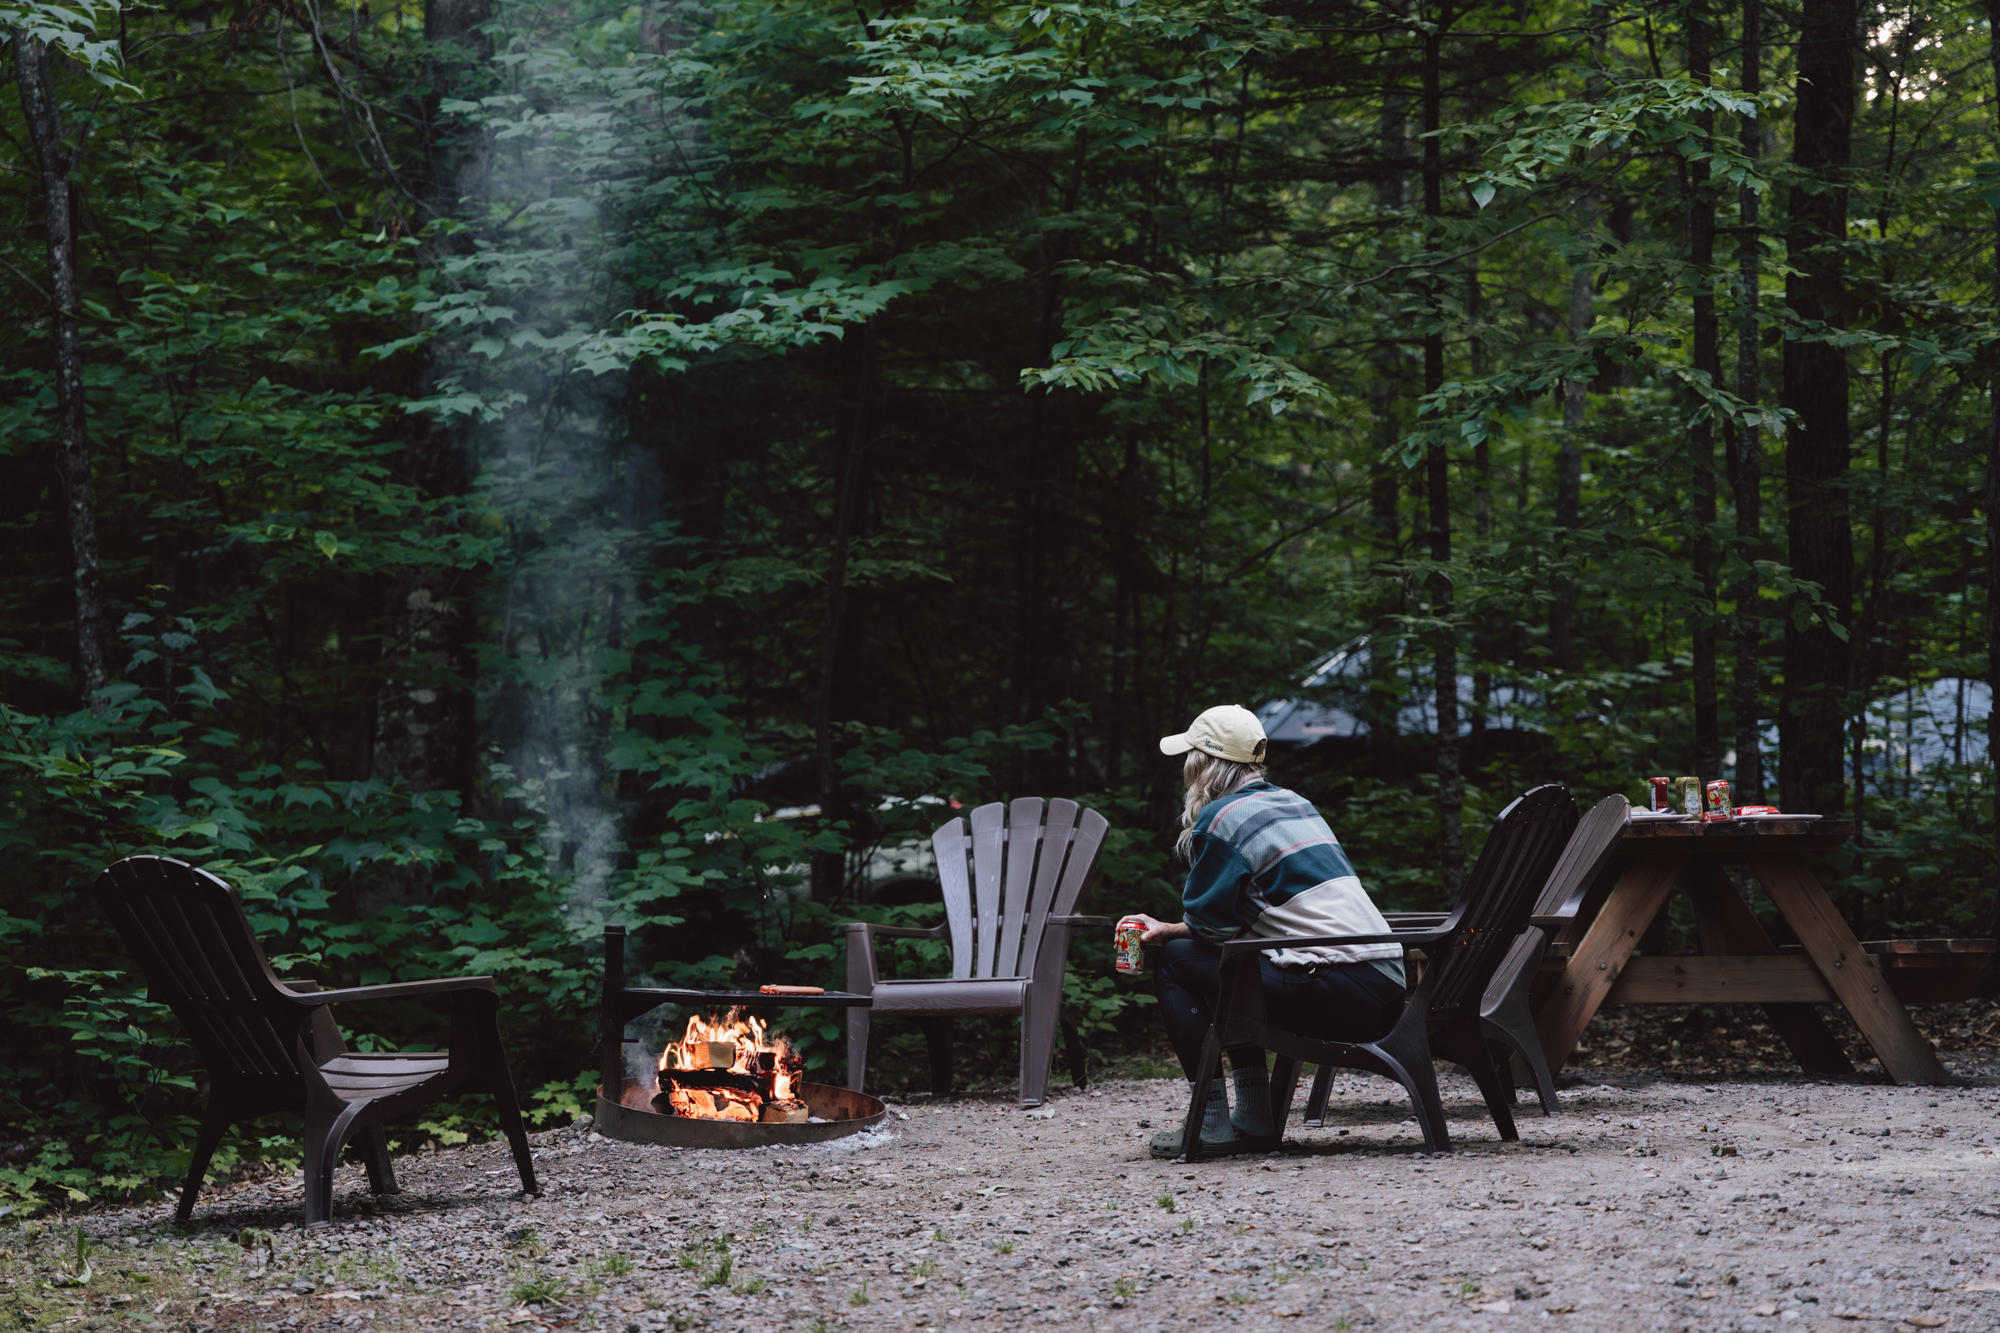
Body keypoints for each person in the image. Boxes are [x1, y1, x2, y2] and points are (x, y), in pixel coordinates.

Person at [1126, 704, 1407, 1158]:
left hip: (1341, 989)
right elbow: (1232, 929)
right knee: (1226, 963)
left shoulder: (1222, 819)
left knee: (1177, 963)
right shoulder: (1294, 802)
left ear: (1204, 763)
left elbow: (1210, 927)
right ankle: (1254, 1119)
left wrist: (1166, 933)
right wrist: (1176, 928)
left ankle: (1211, 1123)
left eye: (1190, 756)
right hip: (1384, 986)